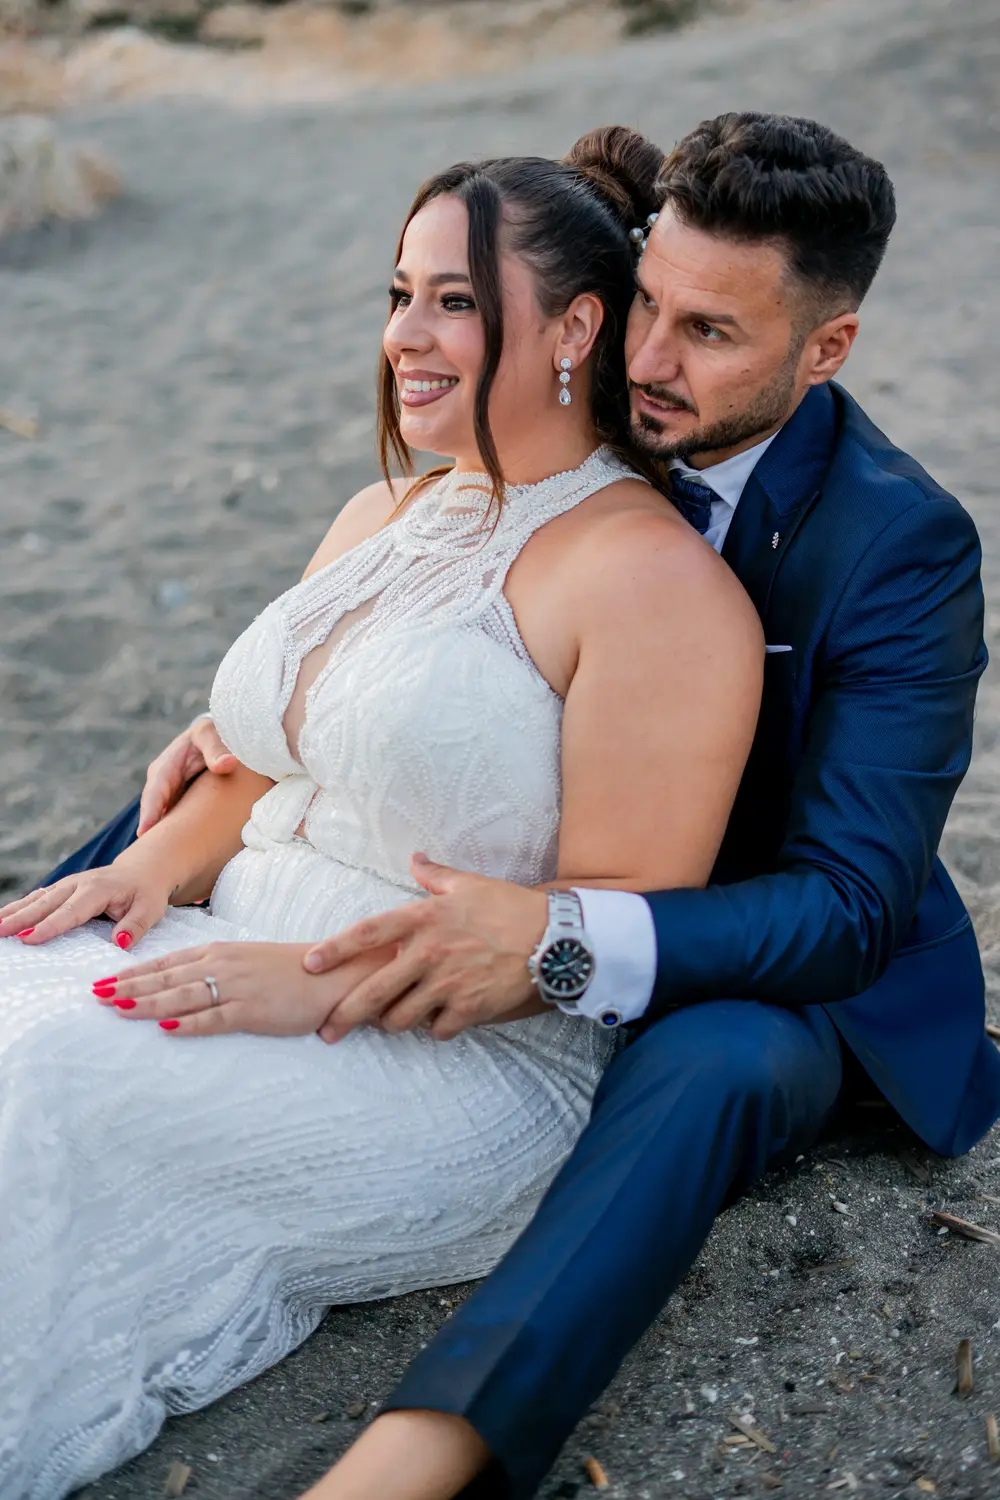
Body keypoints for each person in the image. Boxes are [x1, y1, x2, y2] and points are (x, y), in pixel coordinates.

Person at [34, 113, 1000, 1500]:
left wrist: (558, 936)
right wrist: (278, 718)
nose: (648, 360)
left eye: (709, 334)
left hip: (772, 942)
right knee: (163, 821)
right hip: (487, 859)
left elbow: (846, 904)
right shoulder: (547, 436)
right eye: (645, 305)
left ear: (825, 348)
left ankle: (434, 1447)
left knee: (710, 1065)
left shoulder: (895, 540)